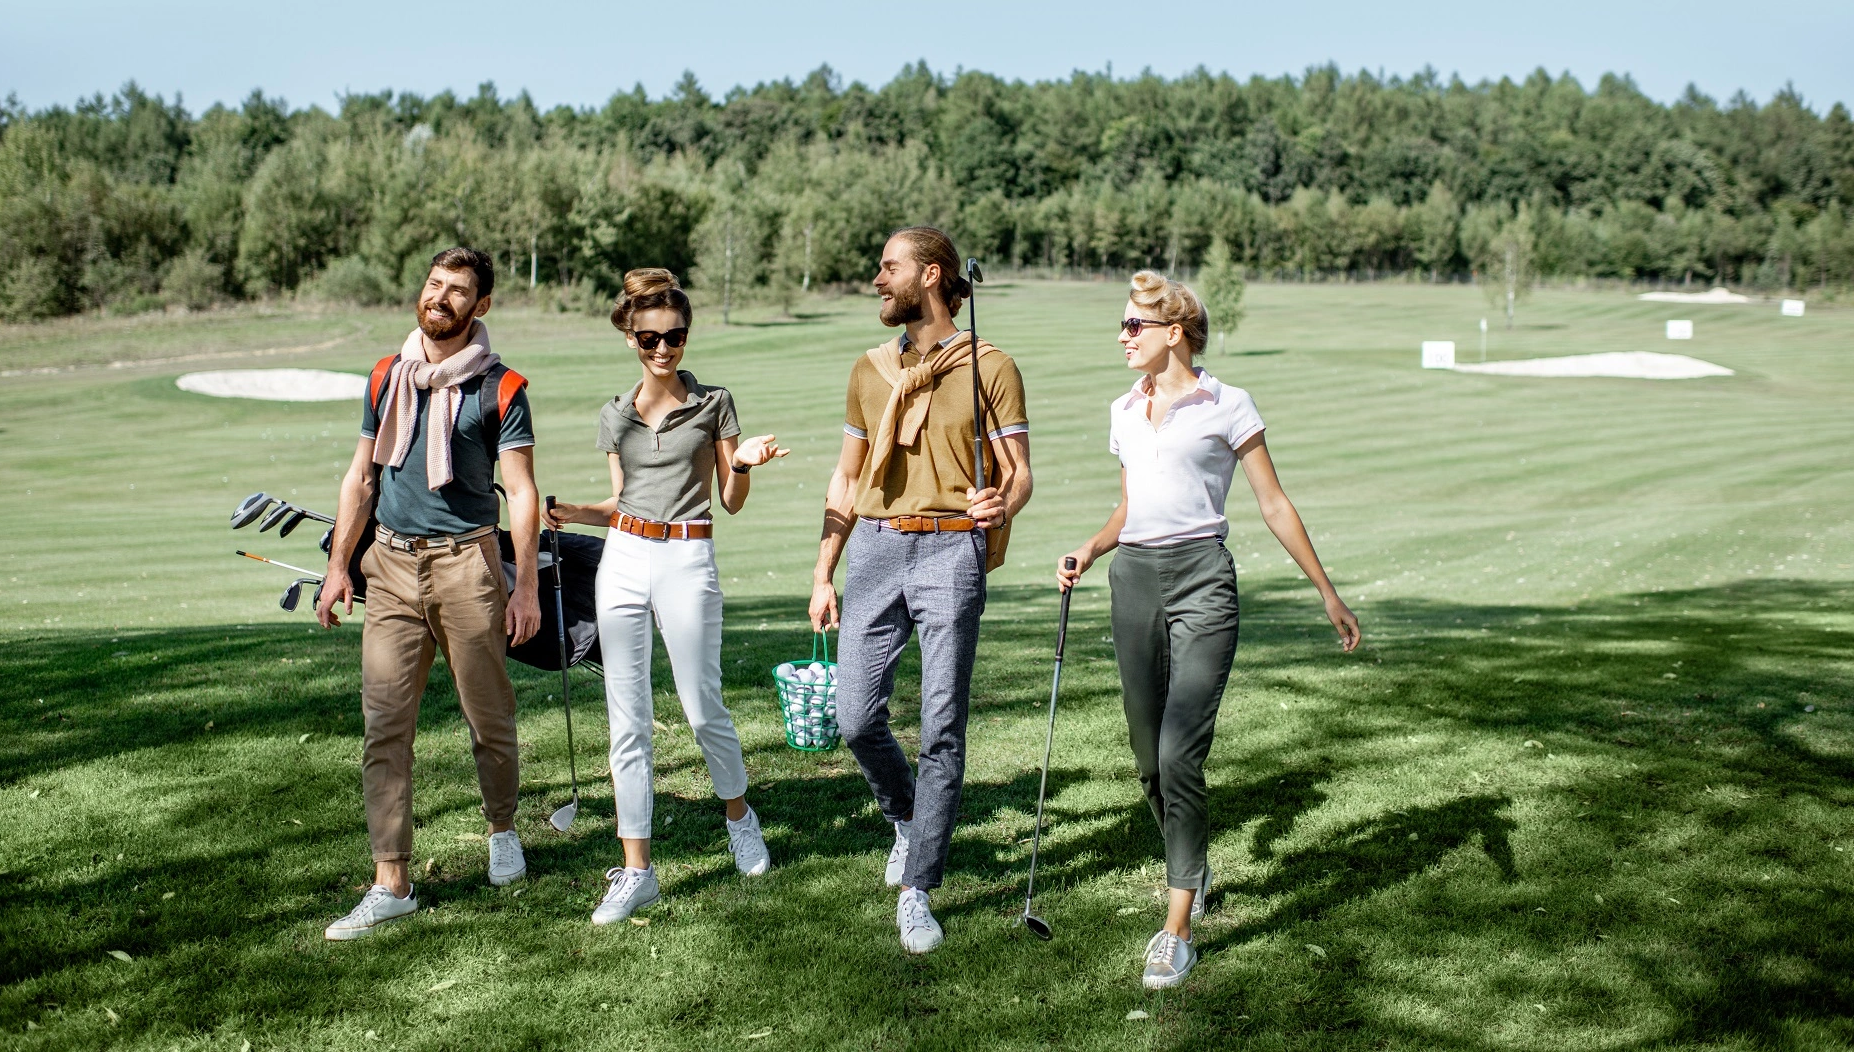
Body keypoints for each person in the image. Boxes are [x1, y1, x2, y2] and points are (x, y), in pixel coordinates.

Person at [1056, 270, 1360, 991]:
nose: (1124, 336)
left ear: (1174, 331)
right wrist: (1091, 547)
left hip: (1202, 583)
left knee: (1179, 749)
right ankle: (1192, 858)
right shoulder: (1124, 410)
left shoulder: (1230, 404)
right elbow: (1129, 506)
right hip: (1132, 580)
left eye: (1136, 324)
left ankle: (1176, 924)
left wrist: (1327, 592)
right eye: (1123, 324)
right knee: (1146, 757)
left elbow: (1274, 503)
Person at [810, 226, 1033, 954]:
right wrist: (823, 568)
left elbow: (1019, 470)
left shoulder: (989, 364)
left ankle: (919, 886)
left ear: (931, 275)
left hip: (950, 550)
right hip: (874, 546)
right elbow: (846, 476)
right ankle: (907, 817)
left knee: (941, 724)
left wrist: (1006, 501)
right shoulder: (869, 368)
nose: (878, 279)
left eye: (889, 267)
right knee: (853, 715)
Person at [546, 268, 790, 925]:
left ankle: (740, 815)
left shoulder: (714, 403)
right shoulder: (615, 414)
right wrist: (571, 510)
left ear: (685, 337)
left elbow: (731, 500)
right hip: (624, 558)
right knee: (627, 717)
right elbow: (622, 501)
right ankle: (636, 871)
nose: (663, 350)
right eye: (651, 338)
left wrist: (742, 464)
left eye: (674, 338)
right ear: (632, 337)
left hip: (687, 555)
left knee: (702, 704)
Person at [314, 247, 543, 941]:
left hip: (467, 565)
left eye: (459, 290)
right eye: (435, 284)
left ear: (482, 305)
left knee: (488, 716)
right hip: (387, 565)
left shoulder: (500, 388)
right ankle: (392, 881)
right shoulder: (387, 376)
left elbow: (524, 492)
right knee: (385, 725)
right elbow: (360, 477)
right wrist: (338, 566)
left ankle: (502, 827)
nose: (441, 296)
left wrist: (523, 583)